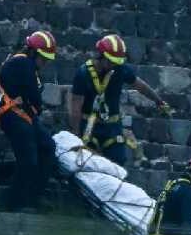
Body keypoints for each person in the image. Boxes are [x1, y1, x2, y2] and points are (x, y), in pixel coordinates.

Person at [69, 34, 172, 165]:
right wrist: (75, 134)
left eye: (116, 62)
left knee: (118, 162)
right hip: (89, 126)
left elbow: (140, 85)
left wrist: (159, 101)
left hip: (112, 127)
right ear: (101, 56)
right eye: (111, 61)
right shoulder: (83, 74)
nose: (113, 65)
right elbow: (76, 106)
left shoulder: (120, 69)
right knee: (88, 163)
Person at [0, 30, 58, 212]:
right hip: (11, 113)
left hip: (24, 113)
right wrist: (35, 106)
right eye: (43, 59)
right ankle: (16, 203)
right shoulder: (23, 63)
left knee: (47, 146)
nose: (45, 63)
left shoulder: (27, 65)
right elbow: (34, 96)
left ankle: (35, 197)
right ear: (33, 53)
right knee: (28, 158)